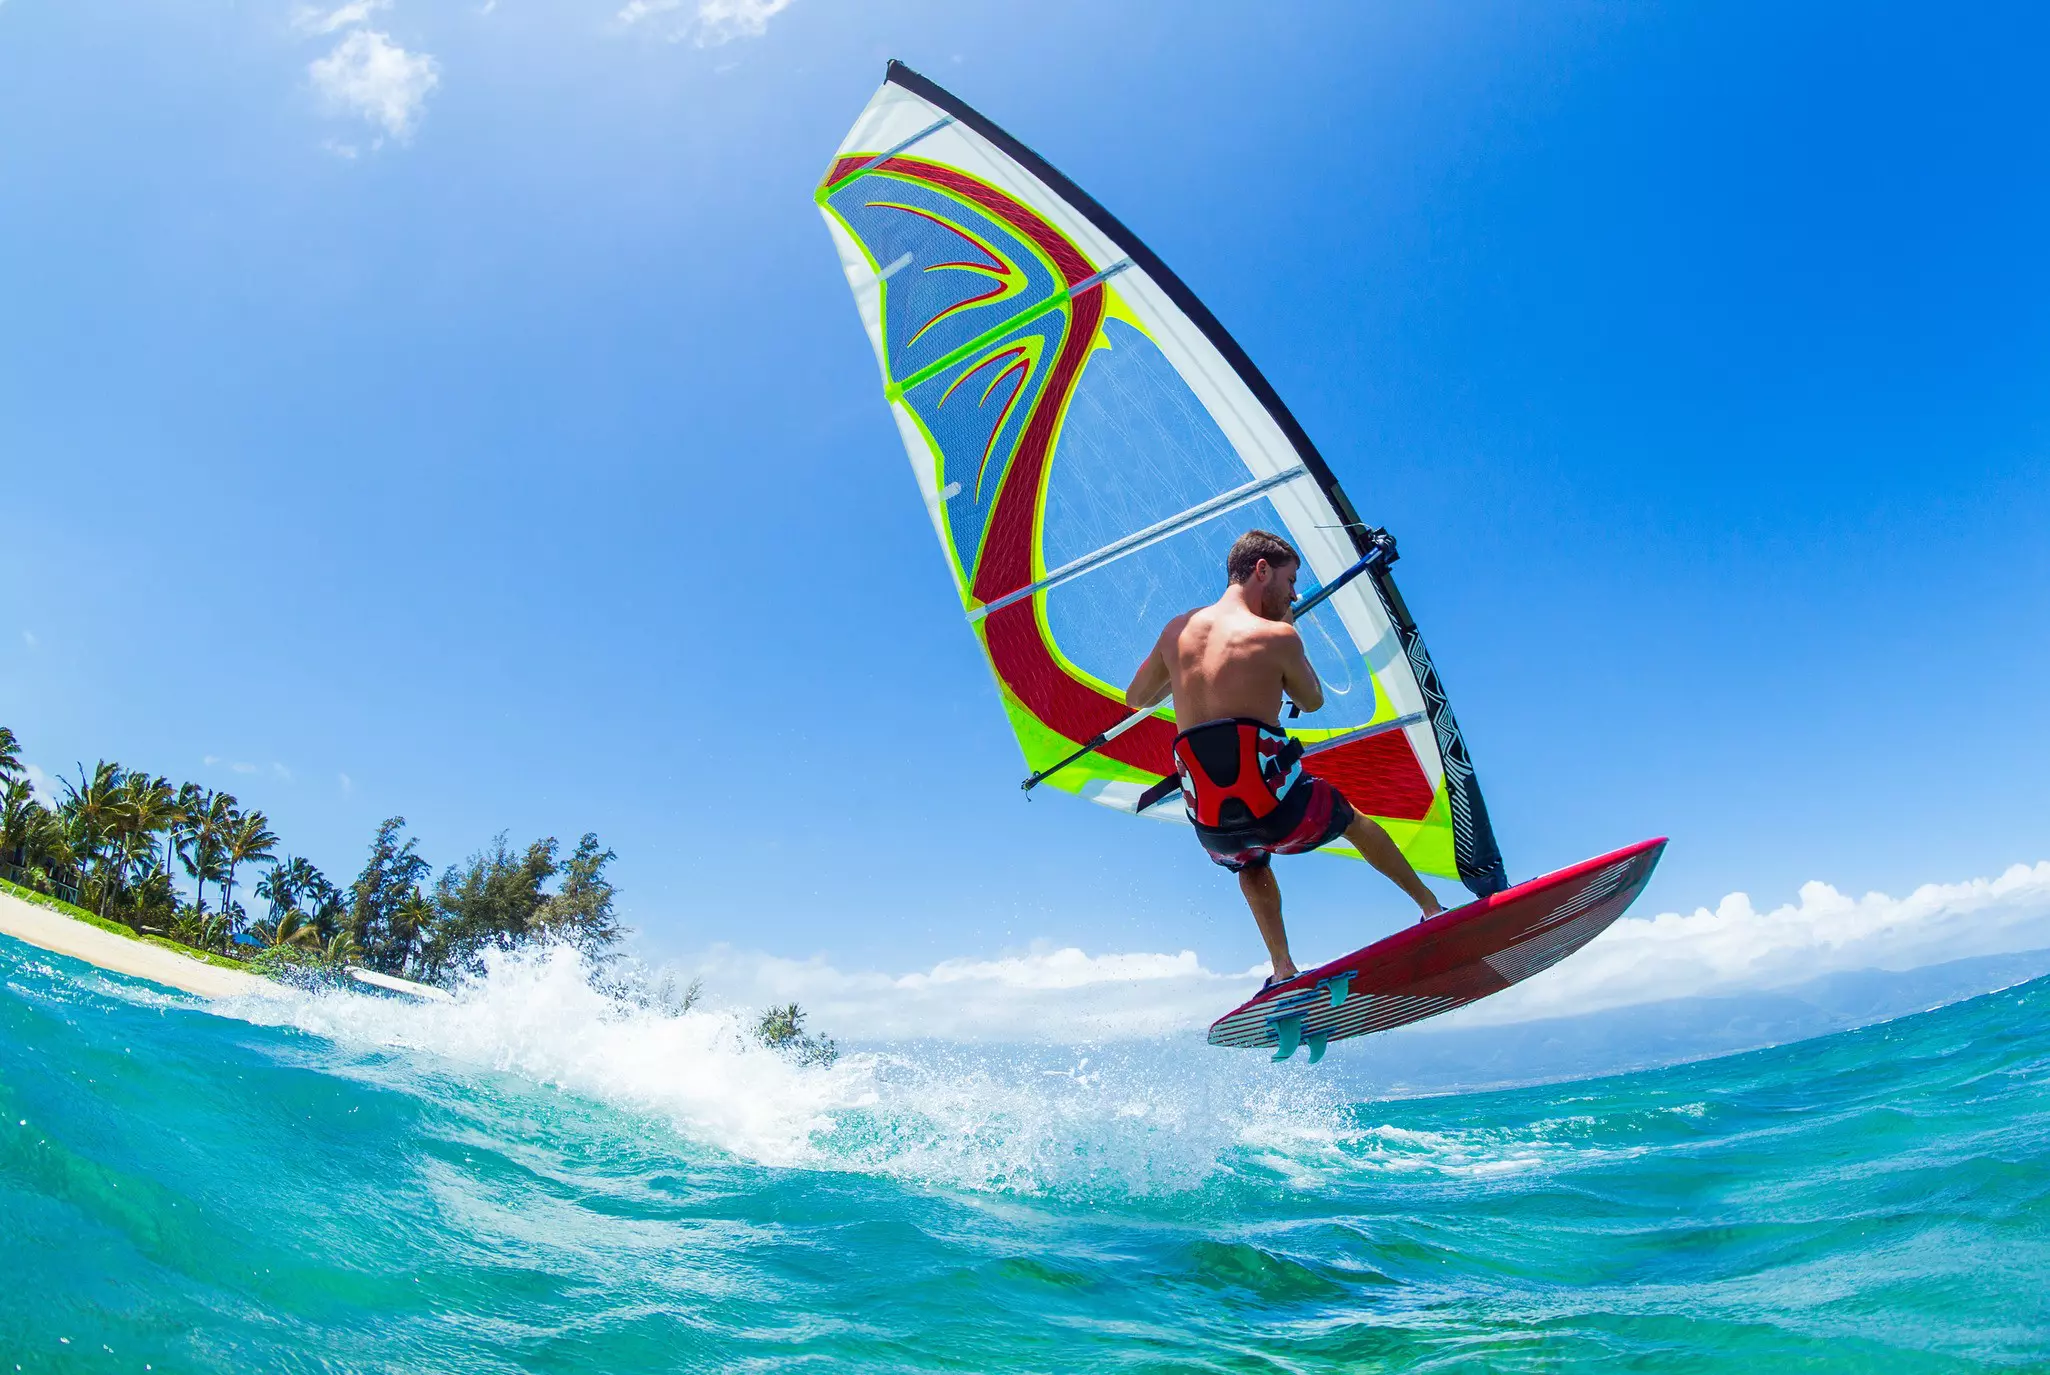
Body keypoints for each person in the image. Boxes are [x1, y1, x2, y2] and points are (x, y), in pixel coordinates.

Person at [1124, 530, 1445, 987]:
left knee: (1250, 861)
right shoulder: (1277, 636)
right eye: (1291, 580)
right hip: (1279, 812)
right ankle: (1431, 908)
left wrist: (1179, 677)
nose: (1294, 592)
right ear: (1261, 570)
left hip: (1213, 830)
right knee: (1352, 819)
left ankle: (1282, 967)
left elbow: (1137, 696)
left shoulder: (1176, 631)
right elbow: (1311, 700)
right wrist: (1289, 628)